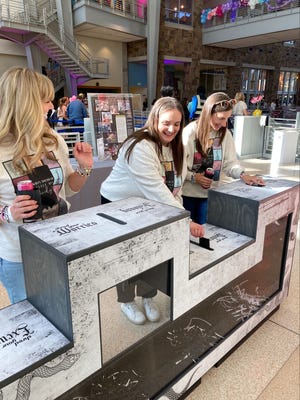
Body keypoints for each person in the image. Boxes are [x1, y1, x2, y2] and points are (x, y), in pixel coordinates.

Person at [100, 96, 204, 325]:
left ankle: (148, 296)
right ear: (154, 118)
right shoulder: (139, 146)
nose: (172, 129)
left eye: (177, 124)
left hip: (152, 206)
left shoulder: (177, 147)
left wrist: (183, 214)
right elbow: (158, 190)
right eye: (166, 122)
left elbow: (176, 189)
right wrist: (186, 221)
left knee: (153, 252)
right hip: (120, 206)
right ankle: (126, 300)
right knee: (127, 255)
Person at [0, 67, 94, 305]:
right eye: (45, 100)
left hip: (61, 243)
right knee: (32, 320)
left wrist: (84, 167)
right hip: (19, 255)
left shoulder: (53, 139)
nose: (51, 106)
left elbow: (70, 189)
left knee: (63, 307)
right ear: (25, 104)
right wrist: (9, 213)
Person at [182, 92, 265, 225]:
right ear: (209, 112)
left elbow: (230, 163)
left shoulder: (225, 134)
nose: (224, 123)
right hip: (187, 195)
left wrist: (243, 175)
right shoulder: (190, 133)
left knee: (206, 233)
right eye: (221, 118)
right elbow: (179, 167)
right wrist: (194, 177)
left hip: (212, 194)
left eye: (227, 119)